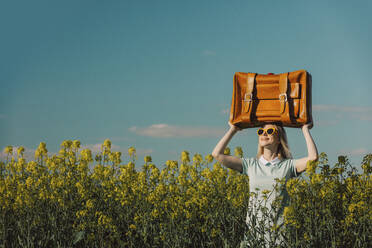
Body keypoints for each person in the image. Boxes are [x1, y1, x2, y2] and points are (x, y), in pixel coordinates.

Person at [211, 121, 318, 246]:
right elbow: (216, 154)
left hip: (280, 236)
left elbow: (313, 158)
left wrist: (305, 129)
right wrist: (233, 129)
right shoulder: (250, 164)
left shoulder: (288, 165)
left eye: (270, 131)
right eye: (261, 132)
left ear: (279, 138)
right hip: (254, 235)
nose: (264, 134)